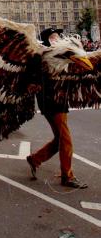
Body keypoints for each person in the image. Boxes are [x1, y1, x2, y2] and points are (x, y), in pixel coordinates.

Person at [26, 28, 88, 189]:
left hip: (59, 102)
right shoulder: (42, 56)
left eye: (59, 36)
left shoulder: (63, 56)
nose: (58, 38)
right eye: (54, 36)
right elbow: (34, 77)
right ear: (48, 40)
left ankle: (35, 159)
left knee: (59, 139)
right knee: (66, 140)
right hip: (51, 102)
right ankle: (67, 176)